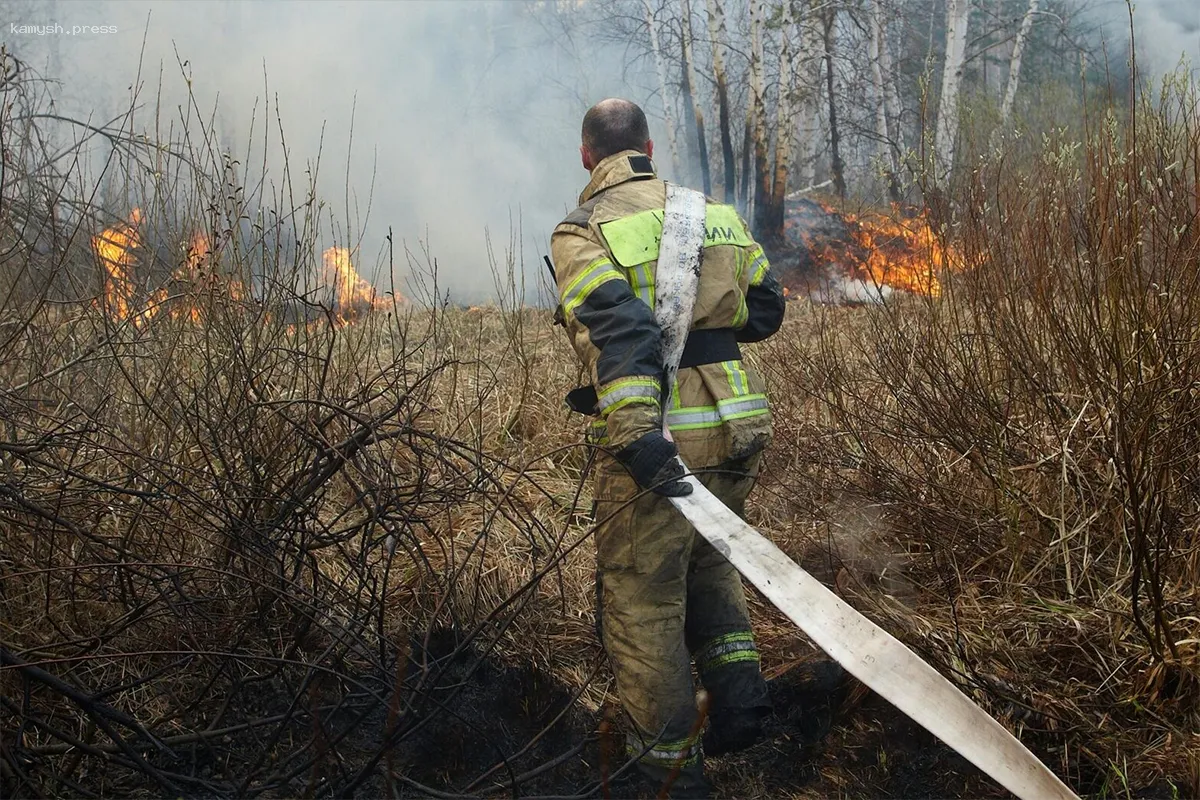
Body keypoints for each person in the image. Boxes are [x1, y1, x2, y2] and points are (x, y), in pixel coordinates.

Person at [549, 98, 787, 798]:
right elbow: (766, 310)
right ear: (648, 146)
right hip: (736, 417)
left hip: (661, 428)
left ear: (588, 156)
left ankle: (668, 775)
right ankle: (743, 709)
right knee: (709, 561)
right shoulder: (713, 211)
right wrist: (709, 315)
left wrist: (634, 434)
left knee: (643, 597)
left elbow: (620, 332)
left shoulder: (581, 230)